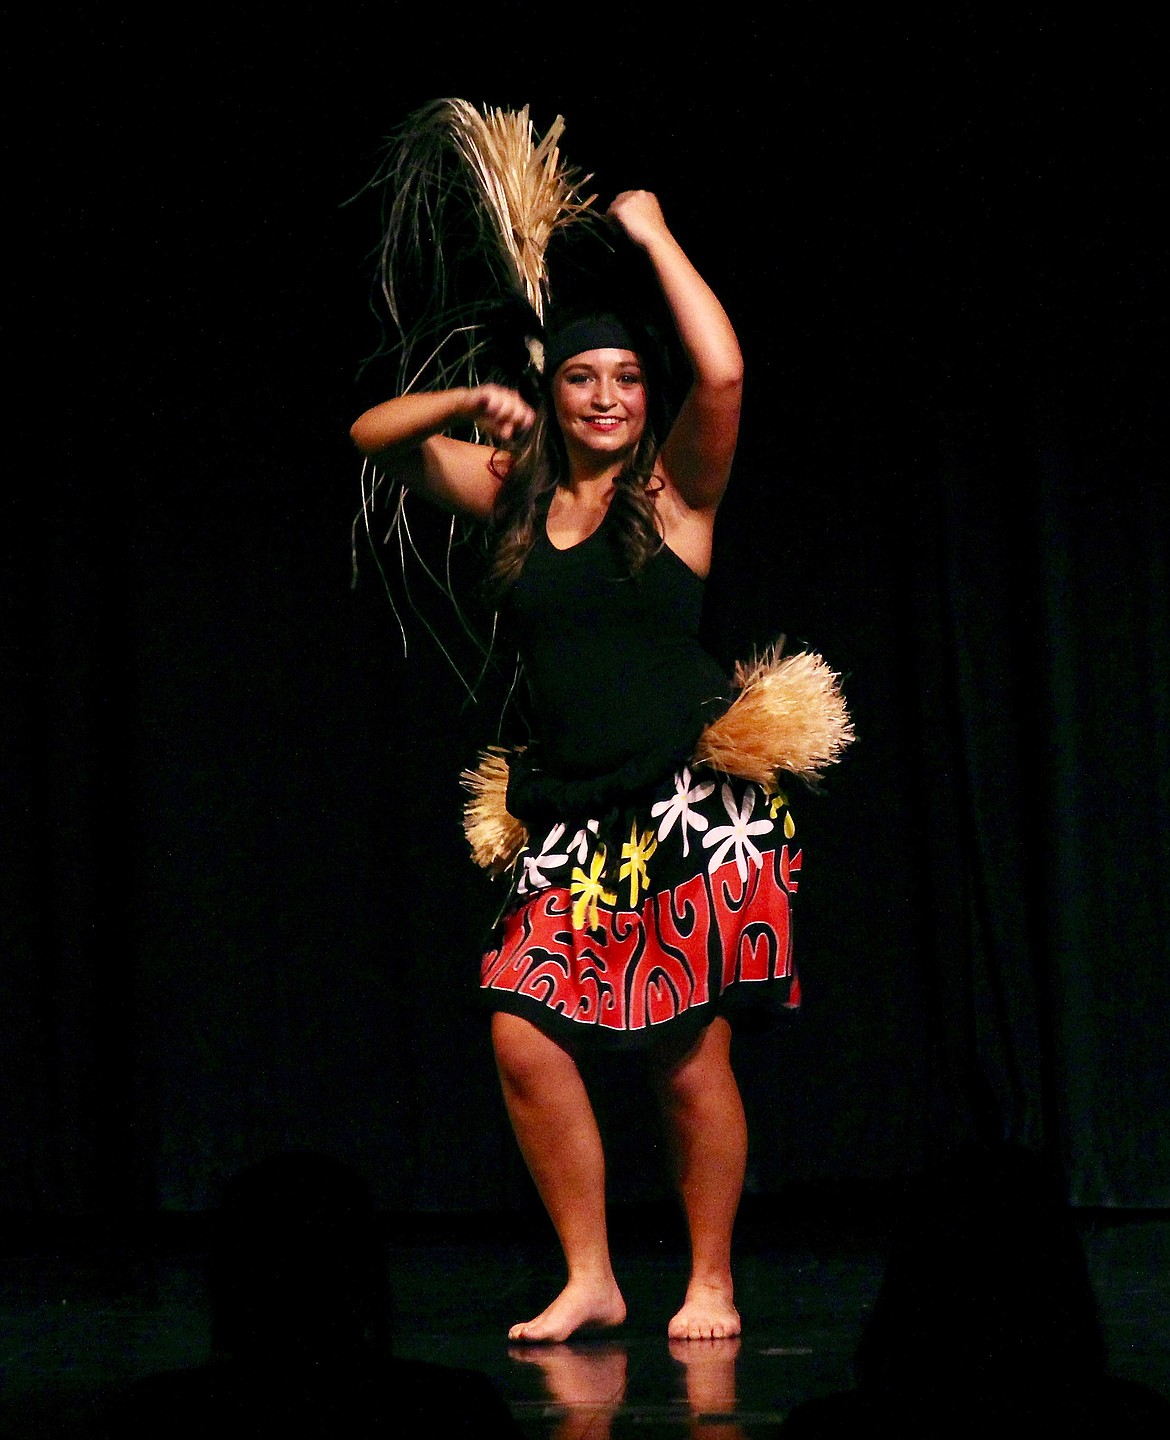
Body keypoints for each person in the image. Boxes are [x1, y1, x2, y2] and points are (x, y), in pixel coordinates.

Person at [351, 187, 843, 1344]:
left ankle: (710, 1279)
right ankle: (592, 1277)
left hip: (688, 801)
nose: (609, 396)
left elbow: (719, 374)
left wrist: (656, 234)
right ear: (555, 395)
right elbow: (375, 435)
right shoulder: (511, 496)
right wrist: (473, 396)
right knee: (522, 1029)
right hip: (569, 814)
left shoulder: (670, 497)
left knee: (683, 1050)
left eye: (625, 377)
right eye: (584, 379)